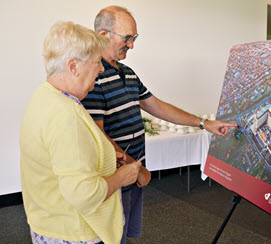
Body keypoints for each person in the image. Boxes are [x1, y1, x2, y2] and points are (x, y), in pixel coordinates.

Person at [81, 5, 237, 243]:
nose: (132, 45)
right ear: (103, 35)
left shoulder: (128, 73)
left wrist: (204, 123)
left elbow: (157, 106)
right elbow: (99, 137)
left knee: (123, 234)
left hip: (132, 173)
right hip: (116, 178)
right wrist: (136, 168)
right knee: (109, 236)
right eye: (127, 38)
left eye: (134, 38)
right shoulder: (93, 77)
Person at [20, 21, 142, 244]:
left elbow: (58, 158)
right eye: (97, 62)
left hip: (49, 224)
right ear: (73, 66)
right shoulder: (66, 115)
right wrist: (122, 177)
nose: (101, 69)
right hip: (72, 232)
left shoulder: (44, 96)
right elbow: (85, 196)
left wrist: (100, 155)